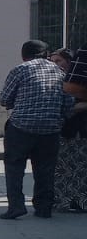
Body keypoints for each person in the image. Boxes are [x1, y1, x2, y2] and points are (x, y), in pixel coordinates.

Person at [0, 39, 75, 219]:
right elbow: (68, 104)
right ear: (46, 54)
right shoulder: (60, 72)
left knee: (14, 167)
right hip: (50, 129)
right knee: (45, 169)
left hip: (21, 128)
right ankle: (44, 207)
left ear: (24, 55)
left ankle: (16, 206)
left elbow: (4, 99)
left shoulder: (20, 70)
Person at [52, 49, 87, 213]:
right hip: (63, 128)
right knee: (63, 166)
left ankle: (80, 201)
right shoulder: (56, 79)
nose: (55, 64)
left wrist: (72, 108)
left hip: (80, 127)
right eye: (53, 61)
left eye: (59, 61)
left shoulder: (78, 80)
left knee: (79, 166)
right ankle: (62, 201)